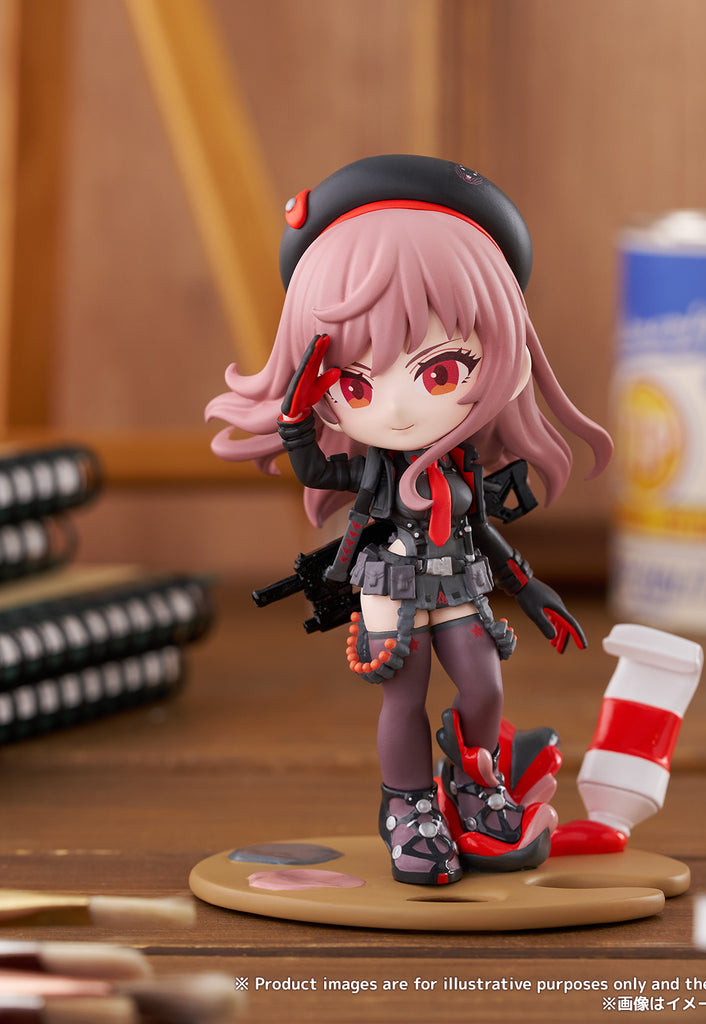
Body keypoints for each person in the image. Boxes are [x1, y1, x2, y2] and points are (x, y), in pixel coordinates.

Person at [206, 156, 612, 886]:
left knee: (483, 684)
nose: (394, 409)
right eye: (358, 384)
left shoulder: (461, 471)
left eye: (439, 373)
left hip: (458, 579)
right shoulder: (374, 472)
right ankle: (408, 806)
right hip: (388, 584)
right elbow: (317, 469)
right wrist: (297, 416)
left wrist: (532, 588)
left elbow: (482, 529)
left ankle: (475, 782)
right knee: (406, 691)